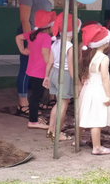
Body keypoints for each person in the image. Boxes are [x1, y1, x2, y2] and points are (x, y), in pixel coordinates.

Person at [16, 0, 53, 115]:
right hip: (31, 36)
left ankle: (34, 101)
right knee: (26, 69)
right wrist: (29, 42)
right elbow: (25, 20)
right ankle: (23, 103)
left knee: (39, 69)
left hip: (42, 38)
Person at [43, 12, 81, 141]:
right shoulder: (70, 46)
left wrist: (46, 76)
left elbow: (50, 62)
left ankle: (50, 129)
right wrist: (77, 82)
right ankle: (57, 133)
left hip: (54, 72)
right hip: (64, 75)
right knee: (63, 105)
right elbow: (71, 68)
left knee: (58, 104)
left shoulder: (56, 43)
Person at [78, 24, 110, 155]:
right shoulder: (104, 58)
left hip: (87, 89)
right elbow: (105, 78)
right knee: (96, 119)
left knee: (83, 115)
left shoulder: (90, 57)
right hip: (97, 90)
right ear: (104, 42)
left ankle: (77, 140)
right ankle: (97, 147)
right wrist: (109, 95)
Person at [15, 10, 54, 129]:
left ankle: (34, 119)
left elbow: (18, 37)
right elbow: (45, 53)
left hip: (32, 70)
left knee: (35, 96)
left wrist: (22, 50)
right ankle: (33, 121)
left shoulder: (32, 34)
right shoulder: (46, 37)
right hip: (41, 71)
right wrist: (51, 66)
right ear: (49, 26)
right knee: (36, 97)